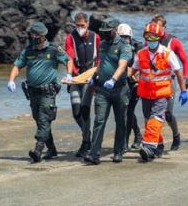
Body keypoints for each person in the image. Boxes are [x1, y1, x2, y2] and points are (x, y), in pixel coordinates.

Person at [7, 22, 69, 163]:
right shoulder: (28, 51)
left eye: (37, 35)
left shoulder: (54, 50)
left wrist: (69, 74)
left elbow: (67, 60)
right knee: (40, 120)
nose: (35, 37)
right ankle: (52, 149)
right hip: (33, 92)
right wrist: (11, 80)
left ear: (43, 35)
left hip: (48, 92)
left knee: (44, 119)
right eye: (33, 35)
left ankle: (38, 149)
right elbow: (17, 66)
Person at [131, 22, 188, 162]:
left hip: (162, 93)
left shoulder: (168, 53)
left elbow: (178, 72)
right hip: (145, 93)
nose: (150, 41)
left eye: (153, 38)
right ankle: (158, 145)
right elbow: (133, 70)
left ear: (159, 38)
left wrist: (183, 90)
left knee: (156, 118)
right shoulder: (141, 54)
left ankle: (149, 145)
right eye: (148, 38)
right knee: (148, 119)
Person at [84, 18, 132, 165]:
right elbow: (101, 61)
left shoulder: (124, 46)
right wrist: (94, 76)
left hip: (119, 89)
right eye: (102, 32)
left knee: (120, 121)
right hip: (102, 90)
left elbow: (122, 66)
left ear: (115, 31)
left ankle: (118, 151)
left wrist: (113, 79)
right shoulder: (103, 44)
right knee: (99, 120)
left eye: (107, 32)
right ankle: (94, 154)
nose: (104, 35)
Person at [64, 12, 101, 157]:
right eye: (77, 26)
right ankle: (87, 133)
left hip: (90, 78)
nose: (80, 28)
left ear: (88, 24)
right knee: (76, 111)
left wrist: (97, 75)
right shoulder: (70, 38)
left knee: (85, 110)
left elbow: (99, 58)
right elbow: (69, 57)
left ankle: (86, 142)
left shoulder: (95, 37)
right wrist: (70, 73)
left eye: (82, 25)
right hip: (75, 78)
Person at [151, 14, 188, 150]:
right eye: (153, 26)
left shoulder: (173, 41)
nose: (155, 29)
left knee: (167, 114)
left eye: (158, 27)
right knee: (153, 113)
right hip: (152, 81)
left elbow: (185, 61)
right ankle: (158, 142)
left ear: (164, 27)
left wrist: (184, 80)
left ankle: (176, 135)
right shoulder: (149, 40)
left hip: (169, 81)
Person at [117, 23, 143, 151]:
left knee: (129, 111)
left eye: (126, 36)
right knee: (126, 111)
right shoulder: (116, 46)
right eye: (121, 36)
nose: (124, 38)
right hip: (122, 82)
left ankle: (125, 143)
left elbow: (140, 63)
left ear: (130, 36)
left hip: (135, 83)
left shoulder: (137, 46)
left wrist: (133, 72)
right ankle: (137, 135)